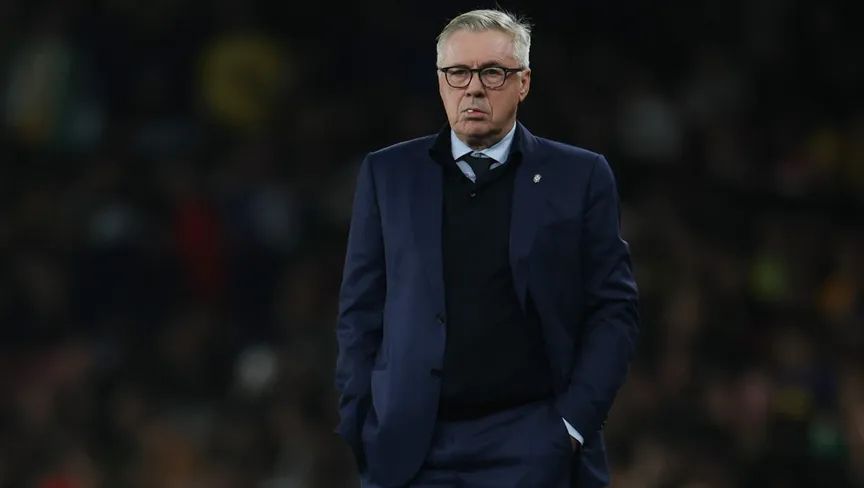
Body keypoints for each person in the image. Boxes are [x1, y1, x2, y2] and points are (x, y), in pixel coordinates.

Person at [335, 8, 640, 488]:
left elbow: (614, 309)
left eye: (493, 72)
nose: (473, 88)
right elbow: (360, 310)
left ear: (524, 83)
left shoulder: (579, 175)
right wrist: (360, 420)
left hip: (533, 443)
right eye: (458, 72)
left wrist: (573, 425)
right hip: (410, 445)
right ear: (440, 82)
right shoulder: (388, 173)